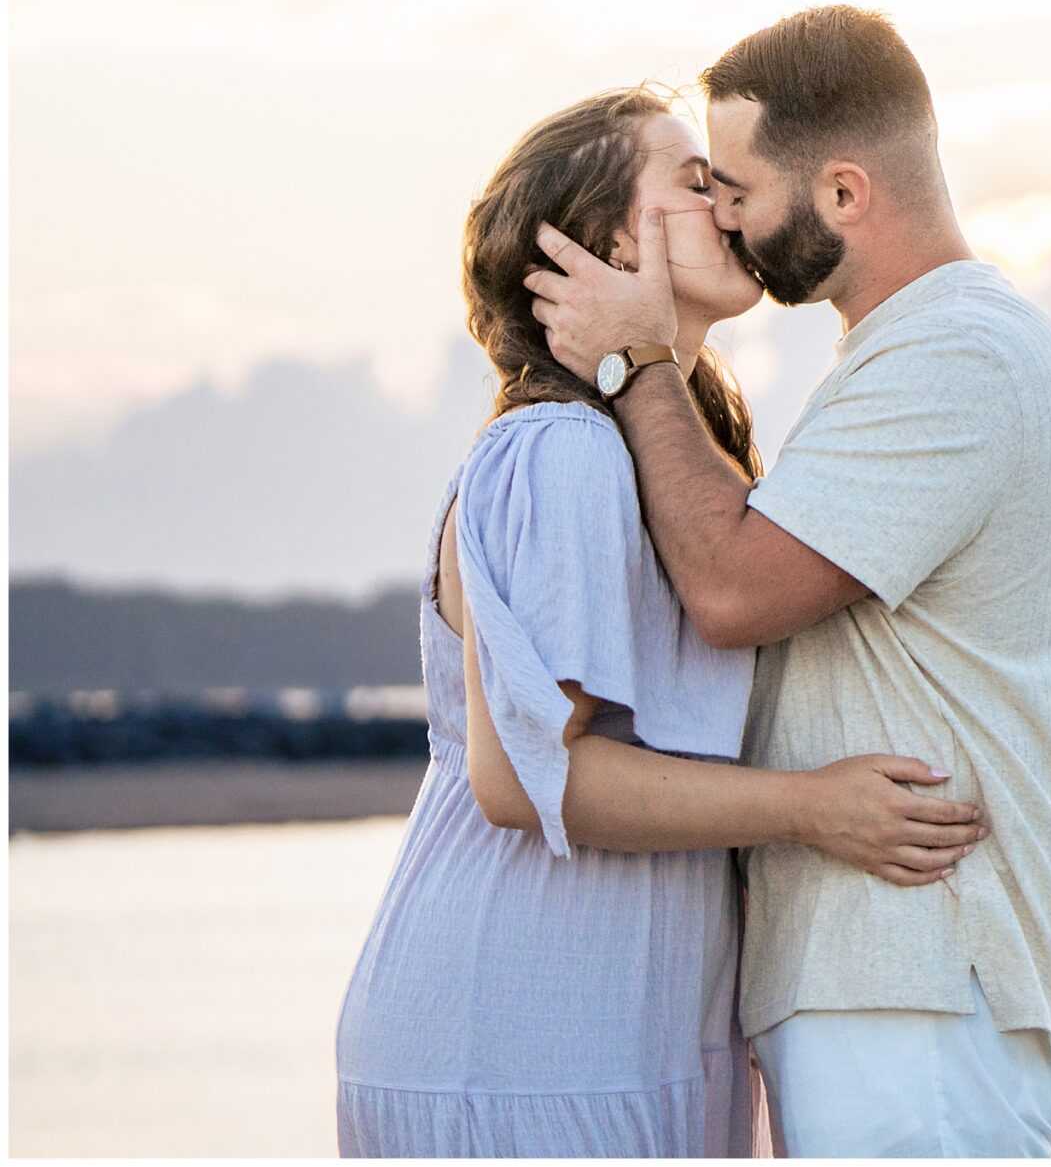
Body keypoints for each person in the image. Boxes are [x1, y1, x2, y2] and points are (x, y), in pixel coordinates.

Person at [335, 85, 989, 1158]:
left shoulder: (667, 461)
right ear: (596, 244)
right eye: (695, 185)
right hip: (517, 1040)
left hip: (622, 1029)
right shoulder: (562, 452)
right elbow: (522, 778)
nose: (732, 206)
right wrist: (812, 810)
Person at [525, 7, 1051, 1157]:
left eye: (738, 187)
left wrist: (637, 359)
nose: (727, 218)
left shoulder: (958, 356)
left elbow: (736, 591)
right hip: (906, 986)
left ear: (844, 194)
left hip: (930, 983)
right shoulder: (915, 353)